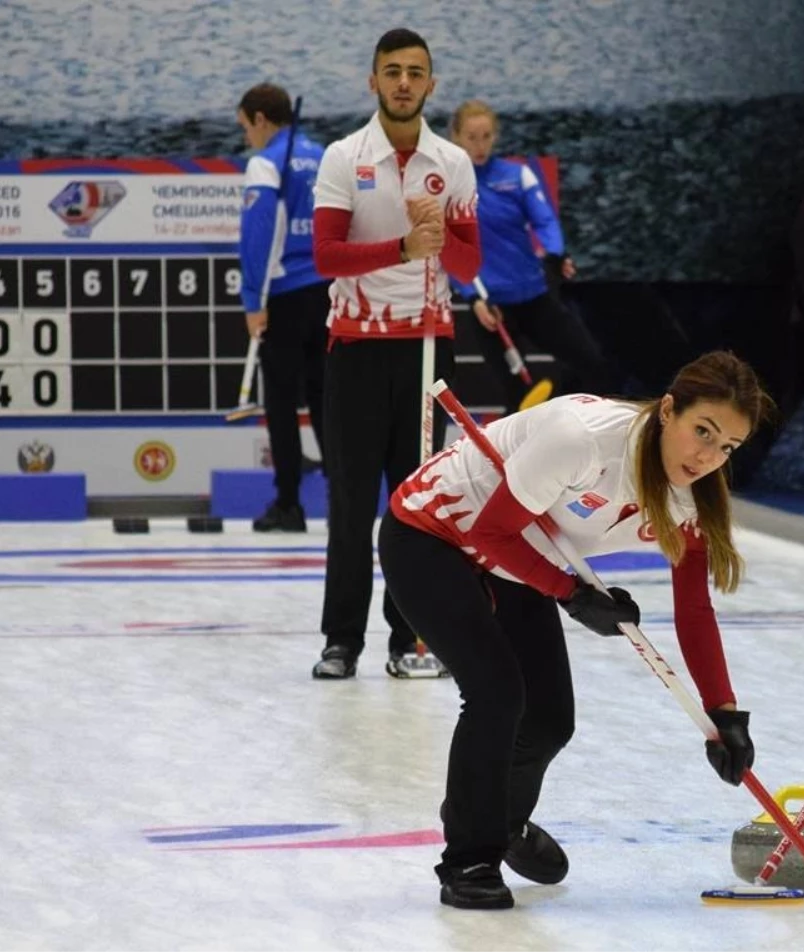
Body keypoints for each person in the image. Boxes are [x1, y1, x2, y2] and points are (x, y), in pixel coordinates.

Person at [378, 351, 775, 909]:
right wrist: (571, 595)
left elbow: (694, 612)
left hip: (518, 556)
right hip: (432, 535)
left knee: (548, 721)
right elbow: (493, 530)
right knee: (495, 693)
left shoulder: (692, 496)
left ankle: (500, 821)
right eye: (702, 432)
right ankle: (469, 857)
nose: (708, 456)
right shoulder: (583, 441)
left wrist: (724, 714)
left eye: (727, 446)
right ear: (668, 410)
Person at [310, 29, 480, 680]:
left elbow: (470, 264)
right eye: (392, 71)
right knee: (351, 505)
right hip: (355, 349)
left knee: (417, 510)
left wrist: (439, 238)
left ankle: (409, 638)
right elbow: (326, 255)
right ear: (373, 81)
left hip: (427, 359)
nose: (404, 82)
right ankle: (340, 640)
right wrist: (404, 248)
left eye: (415, 72)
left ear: (431, 85)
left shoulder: (453, 162)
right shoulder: (342, 156)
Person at [448, 100, 617, 415]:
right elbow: (449, 247)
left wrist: (554, 253)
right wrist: (473, 298)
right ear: (456, 137)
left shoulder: (517, 176)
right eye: (472, 137)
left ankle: (575, 426)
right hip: (492, 308)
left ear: (495, 136)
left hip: (535, 297)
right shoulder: (447, 187)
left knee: (592, 363)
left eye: (486, 136)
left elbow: (545, 221)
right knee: (516, 398)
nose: (480, 145)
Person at [236, 83, 330, 532]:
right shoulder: (327, 155)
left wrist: (253, 300)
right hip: (331, 291)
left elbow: (256, 236)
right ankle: (345, 500)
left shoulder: (264, 163)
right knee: (326, 400)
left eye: (245, 128)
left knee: (280, 403)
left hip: (284, 294)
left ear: (260, 119)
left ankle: (289, 504)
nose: (246, 139)